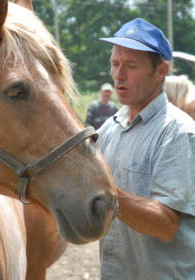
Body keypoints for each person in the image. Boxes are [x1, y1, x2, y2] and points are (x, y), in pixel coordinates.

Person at [97, 18, 195, 280]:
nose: (119, 75)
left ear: (161, 71)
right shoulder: (110, 127)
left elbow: (164, 225)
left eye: (130, 66)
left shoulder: (177, 132)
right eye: (115, 64)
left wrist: (102, 191)